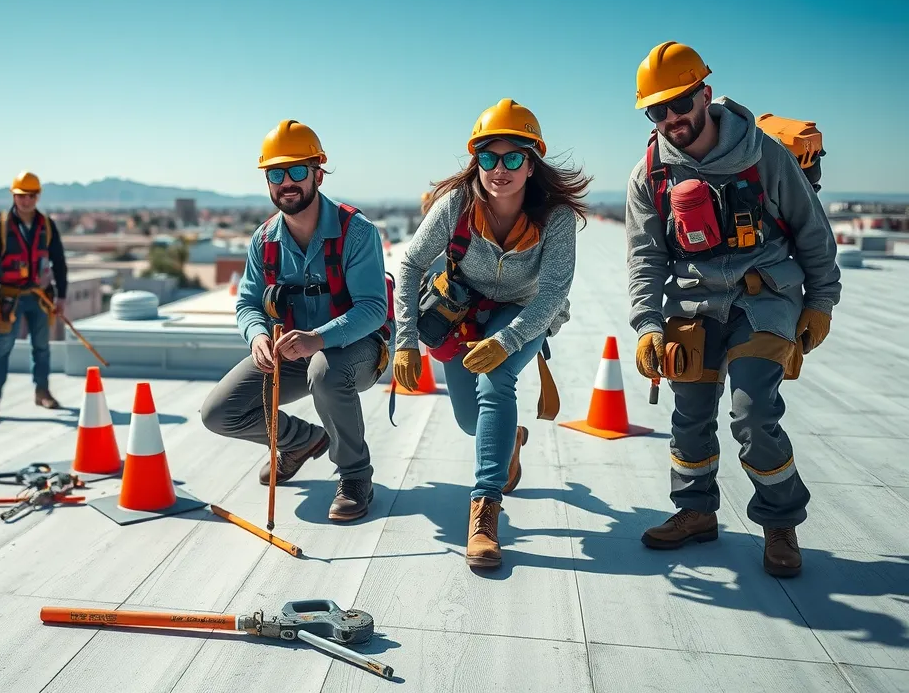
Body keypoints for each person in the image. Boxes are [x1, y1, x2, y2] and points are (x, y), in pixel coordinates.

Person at [625, 41, 841, 577]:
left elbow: (813, 232)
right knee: (690, 416)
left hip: (765, 296)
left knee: (752, 412)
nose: (670, 118)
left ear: (705, 93)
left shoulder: (765, 154)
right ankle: (695, 513)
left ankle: (779, 522)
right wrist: (648, 325)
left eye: (679, 103)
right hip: (694, 301)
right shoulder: (649, 174)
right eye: (657, 110)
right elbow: (645, 257)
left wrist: (821, 302)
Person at [394, 99, 587, 569]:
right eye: (488, 157)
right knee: (471, 421)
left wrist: (508, 340)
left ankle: (484, 513)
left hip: (524, 311)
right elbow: (410, 263)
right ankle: (510, 439)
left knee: (495, 382)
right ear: (476, 160)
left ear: (531, 162)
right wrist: (404, 340)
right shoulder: (456, 206)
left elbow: (553, 294)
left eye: (513, 158)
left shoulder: (555, 218)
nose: (500, 169)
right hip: (465, 311)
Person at [200, 119, 392, 522]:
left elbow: (373, 309)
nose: (287, 182)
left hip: (355, 350)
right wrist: (256, 337)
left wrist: (317, 339)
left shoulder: (355, 233)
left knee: (324, 371)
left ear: (318, 174)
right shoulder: (264, 239)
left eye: (298, 171)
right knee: (218, 413)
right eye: (276, 173)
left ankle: (356, 476)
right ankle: (300, 441)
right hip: (291, 352)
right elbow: (248, 303)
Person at [0, 171, 69, 424]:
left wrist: (61, 297)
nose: (25, 201)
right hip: (10, 298)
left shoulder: (47, 226)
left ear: (37, 196)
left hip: (40, 298)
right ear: (14, 196)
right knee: (3, 348)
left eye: (30, 196)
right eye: (20, 196)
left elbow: (59, 262)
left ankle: (43, 392)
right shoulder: (1, 227)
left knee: (42, 347)